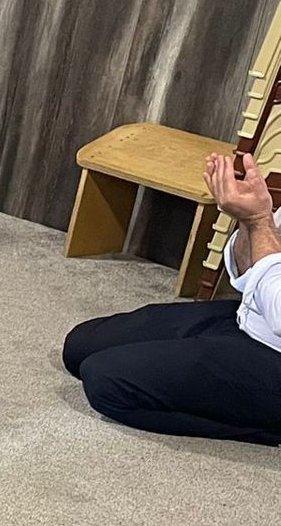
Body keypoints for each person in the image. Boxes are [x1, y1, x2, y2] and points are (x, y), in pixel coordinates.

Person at [63, 150, 281, 444]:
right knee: (81, 346)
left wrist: (259, 221)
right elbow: (251, 271)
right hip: (249, 319)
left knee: (107, 382)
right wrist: (245, 219)